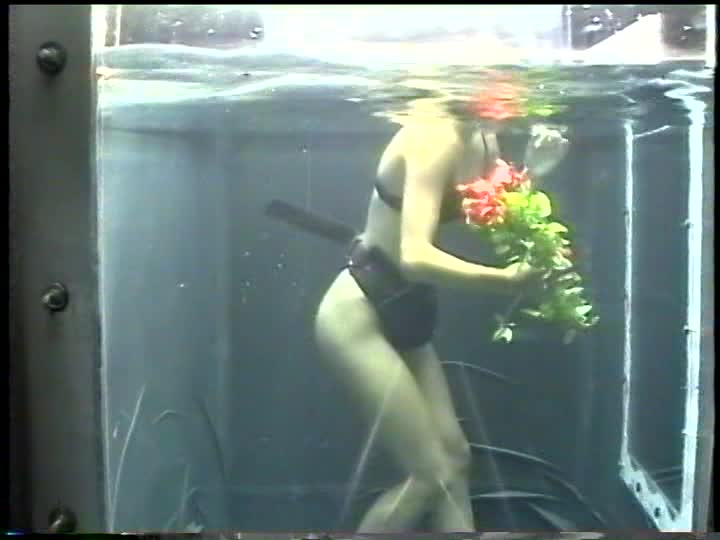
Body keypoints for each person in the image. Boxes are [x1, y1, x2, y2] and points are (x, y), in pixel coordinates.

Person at [312, 104, 569, 532]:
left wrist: (534, 173)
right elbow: (415, 257)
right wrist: (504, 281)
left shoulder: (482, 135)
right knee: (429, 476)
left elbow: (493, 213)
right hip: (360, 312)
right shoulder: (434, 134)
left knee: (455, 460)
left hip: (407, 309)